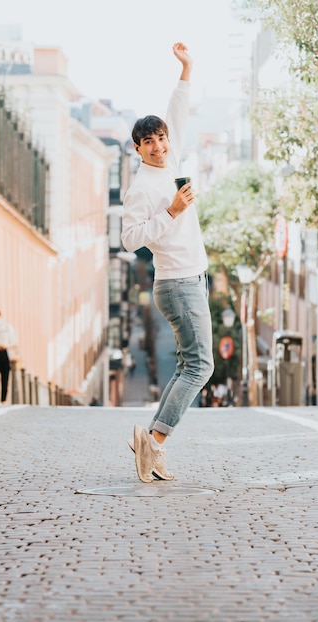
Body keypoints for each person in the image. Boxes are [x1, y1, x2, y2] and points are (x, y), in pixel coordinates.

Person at [121, 42, 214, 483]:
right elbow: (129, 239)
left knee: (185, 365)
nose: (158, 145)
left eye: (161, 138)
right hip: (177, 283)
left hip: (193, 277)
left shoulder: (170, 157)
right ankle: (154, 441)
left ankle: (150, 448)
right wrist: (172, 211)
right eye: (149, 141)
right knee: (201, 365)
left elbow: (177, 111)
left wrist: (187, 69)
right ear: (137, 148)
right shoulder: (140, 188)